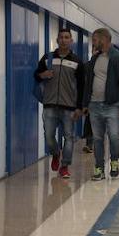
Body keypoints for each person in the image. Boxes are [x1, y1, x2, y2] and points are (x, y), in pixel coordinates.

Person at [34, 27, 86, 179]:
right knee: (49, 135)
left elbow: (82, 86)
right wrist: (42, 75)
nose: (63, 40)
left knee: (69, 137)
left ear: (71, 41)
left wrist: (79, 107)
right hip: (49, 104)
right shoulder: (47, 58)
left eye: (66, 37)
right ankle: (56, 153)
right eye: (61, 37)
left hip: (69, 106)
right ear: (57, 40)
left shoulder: (77, 62)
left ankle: (65, 166)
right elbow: (36, 75)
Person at [80, 27, 119, 180]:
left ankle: (114, 161)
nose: (93, 43)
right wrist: (85, 103)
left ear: (104, 39)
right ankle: (99, 168)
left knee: (114, 136)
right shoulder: (95, 58)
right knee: (97, 138)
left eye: (95, 40)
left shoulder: (118, 57)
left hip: (112, 105)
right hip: (94, 105)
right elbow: (88, 81)